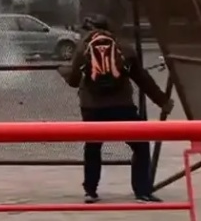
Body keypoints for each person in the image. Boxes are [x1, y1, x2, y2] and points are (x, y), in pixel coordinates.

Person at [59, 15, 172, 204]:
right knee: (140, 145)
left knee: (93, 147)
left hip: (92, 108)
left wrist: (63, 71)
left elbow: (73, 81)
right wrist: (163, 101)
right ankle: (142, 191)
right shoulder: (124, 47)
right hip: (122, 106)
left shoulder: (82, 47)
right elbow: (142, 78)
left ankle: (91, 191)